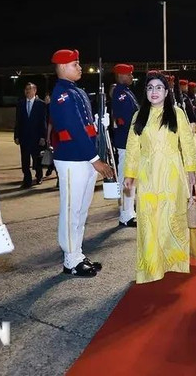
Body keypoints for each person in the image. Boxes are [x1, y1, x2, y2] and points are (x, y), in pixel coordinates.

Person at [123, 71, 196, 283]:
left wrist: (191, 170)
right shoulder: (139, 115)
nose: (154, 92)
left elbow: (187, 143)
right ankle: (152, 265)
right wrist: (129, 174)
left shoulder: (177, 113)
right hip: (148, 175)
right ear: (146, 91)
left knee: (172, 217)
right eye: (150, 88)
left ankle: (174, 261)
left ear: (166, 92)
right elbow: (132, 147)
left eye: (159, 88)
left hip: (173, 175)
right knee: (149, 219)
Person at [50, 49, 115, 277]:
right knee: (71, 211)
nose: (79, 68)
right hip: (72, 158)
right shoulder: (63, 94)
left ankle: (77, 254)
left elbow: (86, 127)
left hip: (83, 156)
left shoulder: (75, 91)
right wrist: (95, 159)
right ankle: (70, 260)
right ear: (62, 66)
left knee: (81, 210)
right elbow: (75, 129)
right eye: (75, 64)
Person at [110, 63, 139, 228]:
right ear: (121, 76)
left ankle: (130, 212)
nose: (131, 77)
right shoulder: (120, 93)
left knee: (131, 178)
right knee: (125, 178)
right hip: (126, 141)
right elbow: (128, 119)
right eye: (129, 74)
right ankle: (125, 215)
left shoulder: (126, 91)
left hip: (130, 141)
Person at [14, 82, 47, 187]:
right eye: (26, 89)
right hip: (24, 137)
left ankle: (39, 176)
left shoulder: (41, 104)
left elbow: (43, 122)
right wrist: (16, 136)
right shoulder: (20, 104)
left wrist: (43, 137)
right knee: (25, 160)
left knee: (37, 159)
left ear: (35, 90)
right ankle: (27, 179)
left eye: (30, 89)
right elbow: (17, 121)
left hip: (36, 137)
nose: (27, 91)